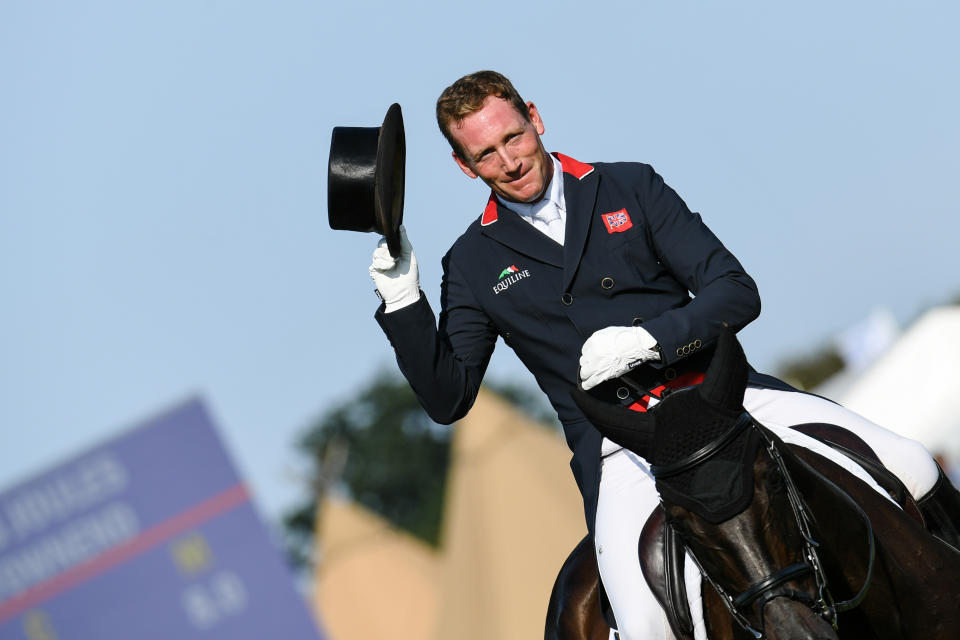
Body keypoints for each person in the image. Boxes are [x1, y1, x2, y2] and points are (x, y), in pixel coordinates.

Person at [367, 70, 960, 640]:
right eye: (486, 154)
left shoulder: (630, 186)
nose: (510, 161)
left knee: (910, 463)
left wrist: (653, 339)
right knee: (644, 623)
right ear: (462, 165)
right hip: (623, 441)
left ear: (536, 118)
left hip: (724, 396)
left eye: (513, 137)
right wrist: (403, 301)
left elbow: (735, 290)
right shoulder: (471, 263)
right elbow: (448, 398)